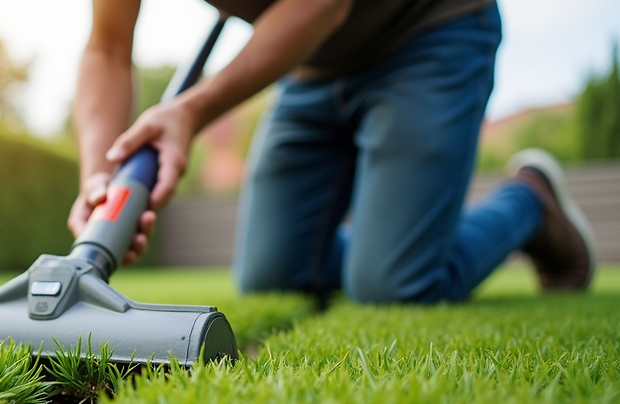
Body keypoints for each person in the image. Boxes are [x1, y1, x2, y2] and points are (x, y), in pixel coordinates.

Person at [67, 0, 596, 304]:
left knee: (396, 289)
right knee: (273, 280)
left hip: (428, 30)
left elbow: (324, 3)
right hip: (310, 66)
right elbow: (107, 48)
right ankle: (382, 242)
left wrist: (191, 110)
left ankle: (530, 201)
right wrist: (99, 173)